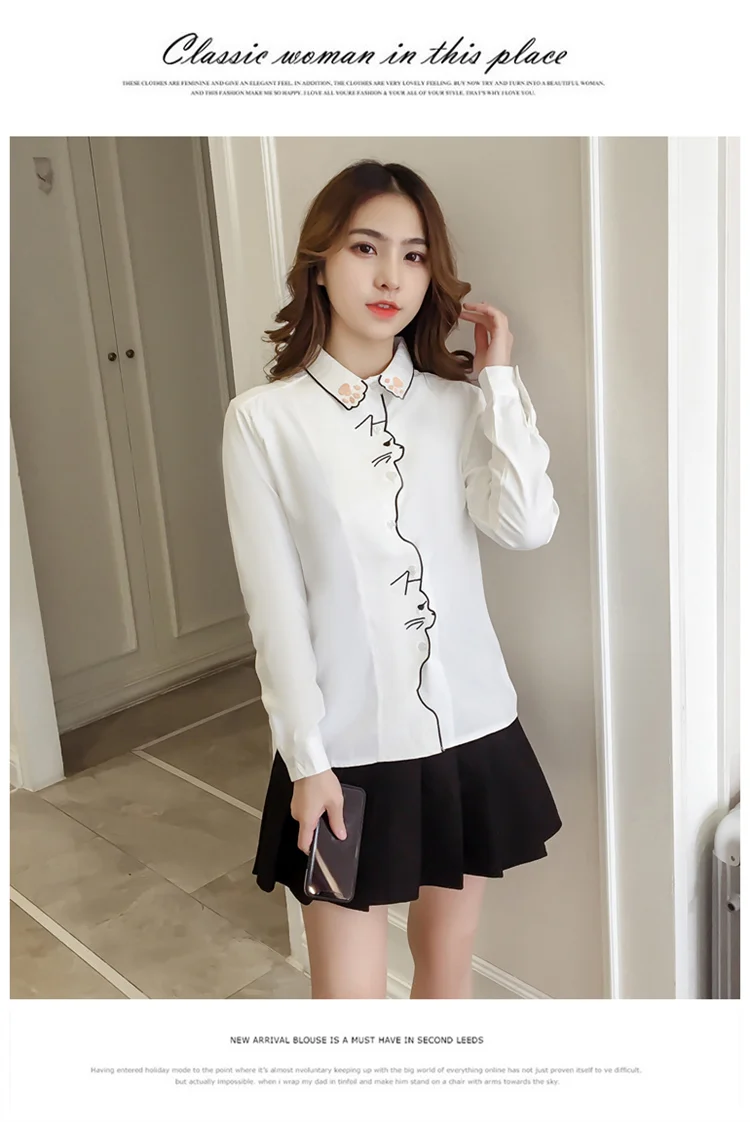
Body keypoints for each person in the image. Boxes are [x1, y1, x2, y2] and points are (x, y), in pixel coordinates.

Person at [221, 158, 563, 1000]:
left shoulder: (458, 405)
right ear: (320, 264)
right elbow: (276, 613)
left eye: (414, 256)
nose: (390, 277)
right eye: (365, 248)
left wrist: (499, 382)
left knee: (449, 959)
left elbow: (527, 525)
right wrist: (307, 761)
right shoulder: (264, 422)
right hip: (345, 757)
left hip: (471, 736)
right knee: (347, 997)